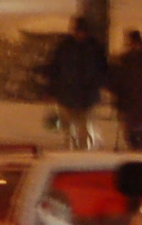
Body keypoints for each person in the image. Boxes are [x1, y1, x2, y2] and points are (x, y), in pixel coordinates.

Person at [43, 18, 109, 150]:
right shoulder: (65, 47)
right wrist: (52, 90)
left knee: (85, 125)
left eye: (81, 31)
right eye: (77, 31)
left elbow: (103, 70)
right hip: (68, 93)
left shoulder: (93, 48)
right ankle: (71, 147)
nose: (78, 34)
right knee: (69, 126)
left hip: (86, 95)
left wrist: (98, 84)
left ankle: (84, 149)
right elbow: (55, 69)